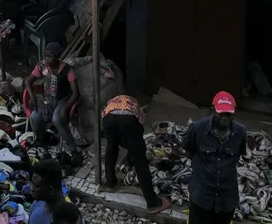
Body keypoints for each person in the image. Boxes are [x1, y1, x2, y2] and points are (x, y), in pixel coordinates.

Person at [182, 92, 247, 224]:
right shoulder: (197, 128)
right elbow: (189, 150)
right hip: (202, 194)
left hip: (226, 196)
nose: (225, 117)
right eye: (221, 113)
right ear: (213, 110)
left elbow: (239, 154)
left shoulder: (240, 132)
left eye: (228, 114)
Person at [101, 95, 169, 212]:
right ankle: (153, 203)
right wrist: (136, 150)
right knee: (140, 162)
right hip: (128, 121)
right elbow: (139, 130)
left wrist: (127, 145)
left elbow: (115, 133)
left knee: (111, 147)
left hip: (108, 118)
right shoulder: (136, 107)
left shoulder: (111, 103)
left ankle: (110, 183)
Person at [27, 42, 80, 161]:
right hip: (47, 99)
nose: (47, 59)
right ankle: (42, 139)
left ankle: (73, 150)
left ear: (57, 57)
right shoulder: (42, 66)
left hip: (62, 100)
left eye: (50, 56)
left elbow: (76, 92)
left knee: (58, 119)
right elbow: (28, 81)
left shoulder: (67, 69)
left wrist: (66, 108)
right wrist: (32, 96)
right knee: (34, 117)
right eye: (46, 56)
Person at [28, 160, 65, 224]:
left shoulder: (38, 216)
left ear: (50, 190)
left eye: (36, 186)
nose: (31, 188)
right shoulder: (36, 205)